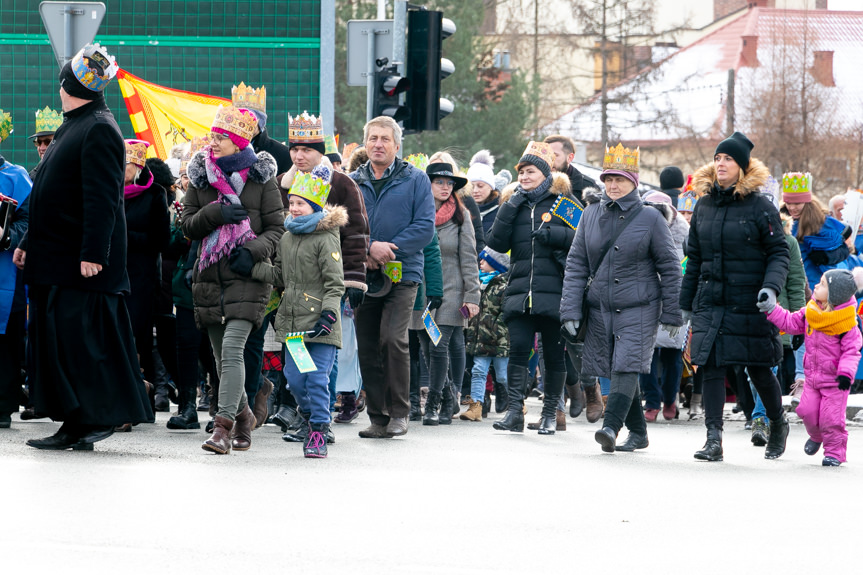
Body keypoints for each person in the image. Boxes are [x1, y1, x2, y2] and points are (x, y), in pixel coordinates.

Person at [15, 44, 153, 450]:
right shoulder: (74, 124)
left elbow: (102, 199)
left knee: (83, 348)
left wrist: (93, 252)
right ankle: (74, 422)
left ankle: (93, 421)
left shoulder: (98, 128)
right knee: (63, 346)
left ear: (68, 85)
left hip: (82, 266)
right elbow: (49, 194)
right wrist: (28, 241)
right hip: (56, 259)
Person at [560, 143, 682, 452]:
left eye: (621, 179)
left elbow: (669, 267)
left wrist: (672, 313)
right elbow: (576, 264)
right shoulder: (589, 214)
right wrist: (570, 310)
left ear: (634, 182)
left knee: (627, 365)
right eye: (609, 179)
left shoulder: (651, 219)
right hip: (600, 307)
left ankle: (611, 426)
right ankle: (638, 433)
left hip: (640, 306)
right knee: (616, 367)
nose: (613, 185)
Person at [680, 131, 791, 462]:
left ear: (742, 167)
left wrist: (770, 289)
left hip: (750, 303)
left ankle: (777, 422)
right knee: (711, 367)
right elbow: (695, 259)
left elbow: (778, 253)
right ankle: (713, 439)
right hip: (711, 301)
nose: (721, 164)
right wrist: (685, 305)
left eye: (728, 159)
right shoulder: (703, 206)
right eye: (717, 158)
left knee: (757, 369)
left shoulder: (761, 208)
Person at [182, 104, 283, 454]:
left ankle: (222, 428)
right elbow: (188, 226)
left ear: (239, 142)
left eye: (221, 137)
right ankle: (244, 420)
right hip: (209, 278)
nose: (213, 142)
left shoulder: (261, 179)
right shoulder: (200, 177)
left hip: (248, 276)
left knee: (231, 349)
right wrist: (215, 213)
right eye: (212, 135)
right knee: (221, 358)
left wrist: (252, 250)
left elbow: (277, 229)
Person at [278, 112, 369, 430]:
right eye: (294, 149)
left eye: (307, 149)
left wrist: (354, 280)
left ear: (321, 150)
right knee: (295, 363)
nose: (299, 155)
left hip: (331, 287)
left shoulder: (341, 183)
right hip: (294, 292)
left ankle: (320, 419)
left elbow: (357, 233)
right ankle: (305, 412)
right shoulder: (284, 184)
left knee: (325, 357)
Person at [349, 116, 435, 439]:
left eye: (385, 139)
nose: (378, 144)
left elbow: (425, 227)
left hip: (404, 273)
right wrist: (369, 248)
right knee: (367, 345)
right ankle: (377, 417)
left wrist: (389, 249)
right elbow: (345, 224)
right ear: (365, 143)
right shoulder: (353, 181)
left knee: (392, 338)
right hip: (364, 273)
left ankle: (400, 412)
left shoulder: (416, 180)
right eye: (373, 138)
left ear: (397, 145)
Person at [252, 165, 345, 458]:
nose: (293, 208)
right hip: (294, 325)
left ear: (314, 205)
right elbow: (281, 276)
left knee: (317, 378)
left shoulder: (326, 236)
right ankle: (307, 417)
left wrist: (328, 315)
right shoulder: (288, 237)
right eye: (291, 202)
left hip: (320, 325)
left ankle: (319, 428)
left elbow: (334, 284)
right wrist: (253, 267)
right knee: (294, 378)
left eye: (300, 203)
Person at [486, 141, 575, 435]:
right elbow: (495, 242)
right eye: (521, 172)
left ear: (546, 173)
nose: (524, 177)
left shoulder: (564, 202)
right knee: (518, 350)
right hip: (520, 291)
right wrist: (511, 204)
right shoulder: (514, 203)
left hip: (555, 292)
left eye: (531, 171)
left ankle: (551, 412)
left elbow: (584, 240)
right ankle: (514, 412)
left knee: (553, 355)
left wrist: (555, 235)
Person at [759, 268, 863, 466]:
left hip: (835, 382)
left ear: (835, 295)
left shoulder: (847, 323)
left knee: (831, 419)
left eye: (822, 284)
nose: (816, 285)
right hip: (813, 378)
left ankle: (834, 453)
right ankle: (816, 436)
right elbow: (789, 322)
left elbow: (852, 351)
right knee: (806, 411)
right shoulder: (811, 312)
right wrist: (772, 309)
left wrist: (845, 374)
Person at [419, 162, 480, 425]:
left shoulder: (461, 215)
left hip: (452, 289)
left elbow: (469, 257)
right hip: (421, 290)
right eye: (439, 182)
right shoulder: (417, 210)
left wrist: (472, 295)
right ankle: (448, 399)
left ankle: (433, 404)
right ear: (428, 183)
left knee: (438, 346)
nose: (445, 187)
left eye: (449, 183)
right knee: (425, 345)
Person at [122, 139, 171, 403]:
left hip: (141, 276)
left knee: (137, 335)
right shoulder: (112, 190)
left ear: (138, 164)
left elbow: (161, 240)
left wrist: (125, 236)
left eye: (126, 162)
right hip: (115, 272)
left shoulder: (155, 194)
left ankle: (143, 398)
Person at [0, 109, 32, 429]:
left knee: (6, 343)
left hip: (5, 274)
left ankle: (2, 405)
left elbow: (30, 220)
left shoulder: (16, 176)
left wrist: (7, 235)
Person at [463, 247, 510, 422]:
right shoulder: (477, 285)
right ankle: (476, 405)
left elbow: (506, 313)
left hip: (499, 341)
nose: (480, 262)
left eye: (485, 259)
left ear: (496, 263)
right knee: (478, 371)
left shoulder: (504, 286)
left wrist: (494, 329)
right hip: (480, 339)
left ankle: (516, 403)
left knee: (503, 375)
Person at [233, 82, 293, 176]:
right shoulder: (224, 150)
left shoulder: (284, 154)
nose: (243, 123)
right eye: (238, 117)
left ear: (260, 122)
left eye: (249, 118)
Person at [467, 150, 511, 237]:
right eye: (471, 186)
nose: (475, 190)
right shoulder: (461, 210)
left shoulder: (502, 211)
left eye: (480, 186)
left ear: (491, 187)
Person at [543, 134, 597, 205]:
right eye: (546, 155)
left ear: (570, 158)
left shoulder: (588, 188)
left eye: (555, 155)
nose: (549, 159)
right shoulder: (534, 184)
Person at [28, 106, 62, 180]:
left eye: (48, 142)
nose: (42, 148)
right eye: (39, 142)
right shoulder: (31, 177)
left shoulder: (74, 174)